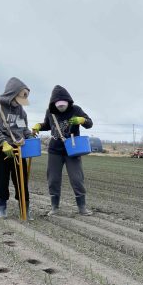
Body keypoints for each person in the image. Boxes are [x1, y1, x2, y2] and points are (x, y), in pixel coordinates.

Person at [32, 85, 94, 216]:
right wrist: (39, 126)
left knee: (77, 179)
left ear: (68, 102)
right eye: (58, 105)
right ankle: (54, 207)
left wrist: (82, 120)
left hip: (72, 150)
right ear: (54, 104)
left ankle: (82, 207)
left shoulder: (76, 109)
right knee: (53, 179)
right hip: (55, 150)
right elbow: (48, 125)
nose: (61, 107)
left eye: (63, 104)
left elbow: (89, 123)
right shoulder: (50, 112)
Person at [0, 77, 34, 219]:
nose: (20, 103)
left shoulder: (20, 110)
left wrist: (31, 139)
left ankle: (25, 208)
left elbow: (24, 129)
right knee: (1, 178)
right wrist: (3, 142)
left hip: (18, 148)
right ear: (12, 94)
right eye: (18, 99)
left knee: (21, 179)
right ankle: (1, 207)